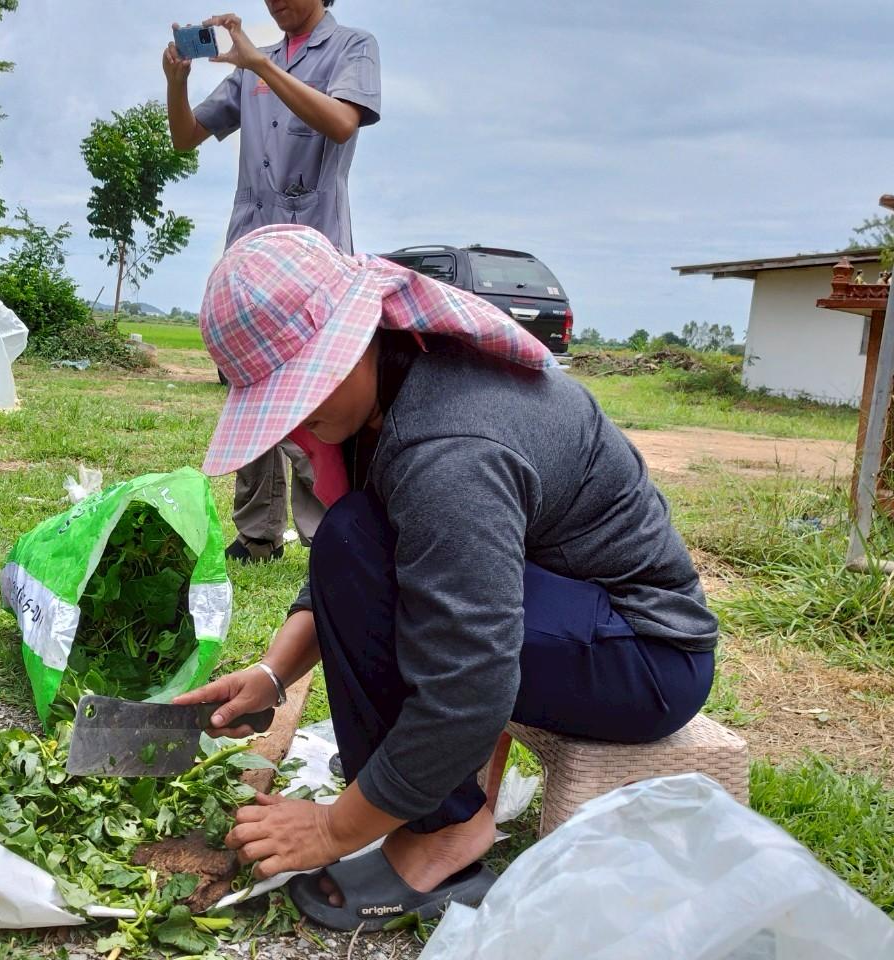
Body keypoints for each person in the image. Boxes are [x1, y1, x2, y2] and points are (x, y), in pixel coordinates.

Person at [176, 225, 719, 931]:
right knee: (355, 540)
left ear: (358, 334)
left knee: (361, 553)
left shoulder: (449, 449)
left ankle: (445, 839)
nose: (297, 418)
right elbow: (367, 560)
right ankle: (440, 803)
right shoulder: (403, 378)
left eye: (301, 388)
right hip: (565, 608)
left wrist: (336, 828)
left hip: (644, 655)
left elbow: (471, 679)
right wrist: (274, 675)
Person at [163, 0, 380, 564]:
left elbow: (341, 121)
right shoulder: (251, 64)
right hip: (251, 256)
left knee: (317, 393)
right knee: (249, 385)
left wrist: (260, 65)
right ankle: (257, 532)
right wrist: (176, 82)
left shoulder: (352, 47)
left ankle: (324, 531)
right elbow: (185, 136)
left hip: (316, 255)